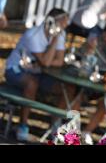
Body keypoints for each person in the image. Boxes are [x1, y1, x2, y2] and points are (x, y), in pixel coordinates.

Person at [5, 8, 75, 141]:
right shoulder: (33, 35)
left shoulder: (60, 34)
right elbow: (46, 62)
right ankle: (23, 126)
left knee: (68, 88)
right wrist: (55, 42)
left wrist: (46, 60)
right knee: (32, 84)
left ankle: (56, 127)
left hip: (38, 73)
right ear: (51, 21)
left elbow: (59, 61)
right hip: (15, 70)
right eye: (62, 24)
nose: (64, 28)